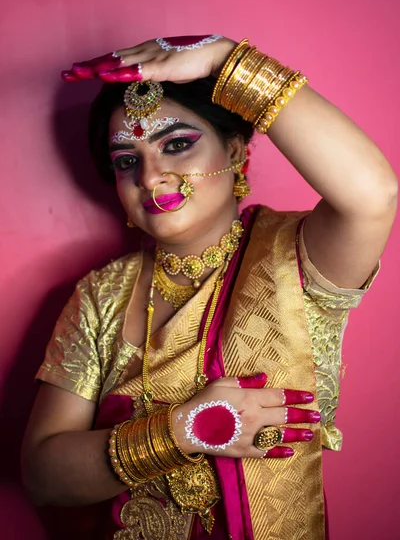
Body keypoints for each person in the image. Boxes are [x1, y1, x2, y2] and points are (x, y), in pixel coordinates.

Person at [21, 35, 397, 540]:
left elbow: (374, 194)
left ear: (236, 150)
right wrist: (185, 430)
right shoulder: (100, 296)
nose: (152, 177)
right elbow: (43, 474)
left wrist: (225, 60)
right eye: (127, 161)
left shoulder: (294, 259)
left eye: (177, 144)